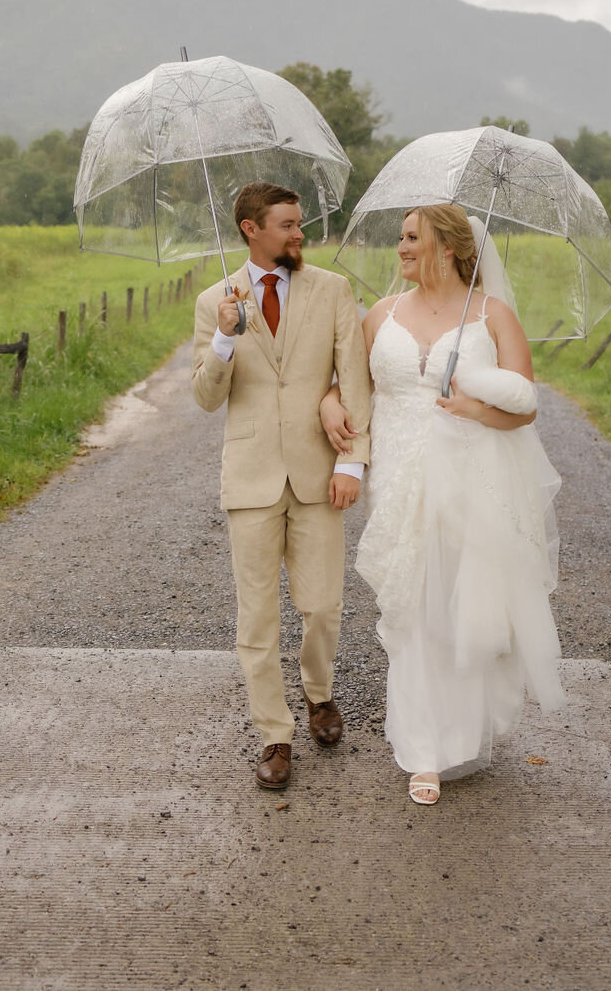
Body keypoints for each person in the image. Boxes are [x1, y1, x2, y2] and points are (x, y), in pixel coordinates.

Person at [321, 203, 563, 805]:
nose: (400, 248)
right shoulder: (381, 314)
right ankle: (421, 749)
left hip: (474, 475)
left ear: (448, 248)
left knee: (462, 607)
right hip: (401, 477)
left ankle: (460, 735)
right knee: (414, 608)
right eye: (400, 238)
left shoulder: (493, 315)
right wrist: (330, 403)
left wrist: (475, 409)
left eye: (410, 238)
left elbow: (526, 405)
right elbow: (349, 384)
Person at [192, 182, 371, 791]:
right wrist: (223, 338)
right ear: (251, 228)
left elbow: (354, 379)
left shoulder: (333, 290)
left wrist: (354, 461)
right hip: (250, 479)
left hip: (321, 471)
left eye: (300, 224)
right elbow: (205, 397)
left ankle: (319, 691)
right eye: (289, 225)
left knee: (322, 605)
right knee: (257, 618)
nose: (300, 234)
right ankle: (275, 732)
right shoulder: (215, 299)